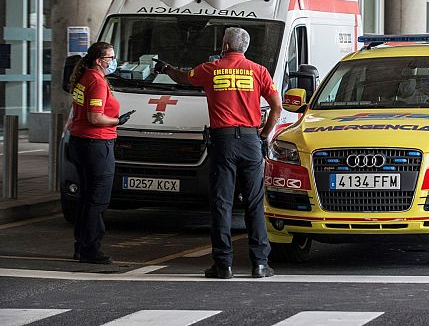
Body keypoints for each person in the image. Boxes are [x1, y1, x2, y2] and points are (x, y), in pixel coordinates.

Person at [154, 27, 282, 278]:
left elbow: (183, 78)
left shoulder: (210, 69)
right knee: (255, 203)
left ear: (224, 46)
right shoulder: (259, 71)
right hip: (250, 141)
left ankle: (223, 265)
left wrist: (165, 68)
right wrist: (264, 134)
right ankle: (259, 264)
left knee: (222, 203)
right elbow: (277, 107)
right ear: (245, 48)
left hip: (223, 142)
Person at [68, 42, 134, 264]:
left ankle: (82, 246)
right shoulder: (96, 82)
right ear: (99, 60)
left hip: (81, 142)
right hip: (96, 145)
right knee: (98, 199)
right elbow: (95, 118)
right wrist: (118, 120)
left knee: (87, 197)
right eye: (111, 57)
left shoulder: (85, 77)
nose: (114, 61)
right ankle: (90, 250)